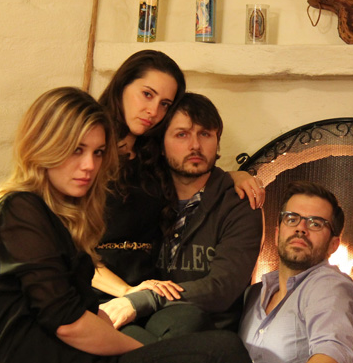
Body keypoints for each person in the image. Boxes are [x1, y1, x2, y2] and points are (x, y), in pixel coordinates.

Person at [0, 87, 285, 363]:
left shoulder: (60, 215)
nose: (89, 165)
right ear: (43, 145)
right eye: (76, 150)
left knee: (224, 352)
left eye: (97, 152)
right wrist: (152, 353)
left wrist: (235, 176)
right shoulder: (19, 211)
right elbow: (68, 325)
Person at [92, 50, 263, 304]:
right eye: (147, 94)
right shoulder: (90, 153)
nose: (153, 111)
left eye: (165, 104)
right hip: (102, 291)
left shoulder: (150, 159)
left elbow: (191, 169)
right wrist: (127, 293)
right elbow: (69, 245)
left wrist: (232, 176)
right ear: (121, 86)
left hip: (144, 295)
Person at [100, 92, 264, 342]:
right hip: (137, 318)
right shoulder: (142, 194)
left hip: (204, 330)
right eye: (182, 134)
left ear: (217, 142)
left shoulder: (239, 203)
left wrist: (142, 300)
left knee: (186, 321)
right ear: (161, 145)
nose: (195, 146)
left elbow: (222, 288)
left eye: (205, 134)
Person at [239, 181, 353, 363]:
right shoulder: (254, 294)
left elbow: (333, 352)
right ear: (278, 231)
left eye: (316, 223)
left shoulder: (330, 286)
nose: (301, 228)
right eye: (292, 218)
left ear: (334, 244)